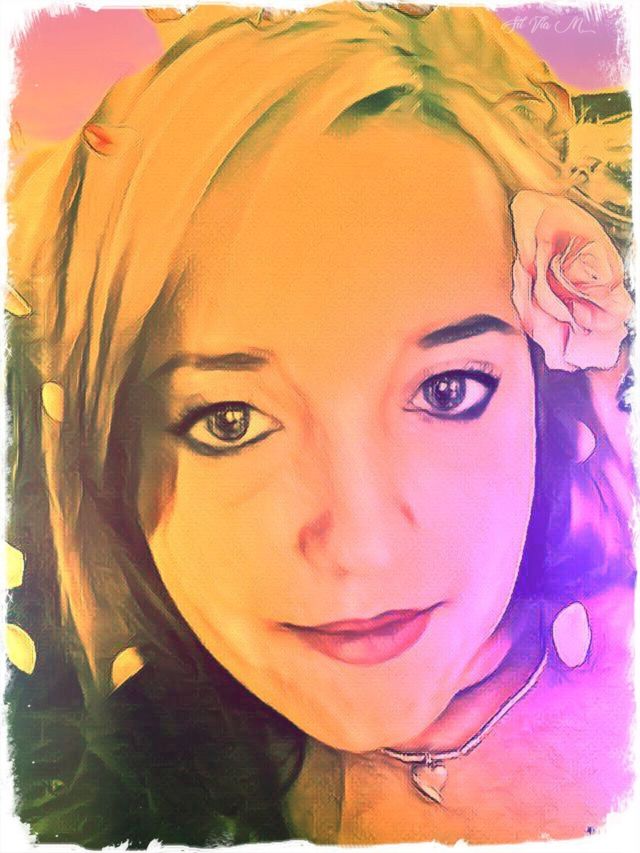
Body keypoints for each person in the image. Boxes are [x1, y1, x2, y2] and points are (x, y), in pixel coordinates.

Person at [5, 2, 635, 847]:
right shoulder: (90, 799)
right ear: (109, 452)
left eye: (449, 390)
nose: (362, 546)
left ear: (545, 387)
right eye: (231, 420)